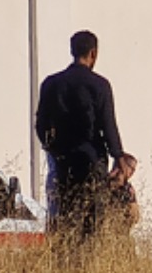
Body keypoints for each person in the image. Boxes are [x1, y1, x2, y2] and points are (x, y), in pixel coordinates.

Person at [34, 30, 134, 246]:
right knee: (91, 223)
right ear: (93, 53)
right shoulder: (99, 85)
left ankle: (66, 265)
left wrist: (52, 147)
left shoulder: (51, 84)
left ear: (72, 51)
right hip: (92, 161)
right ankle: (85, 267)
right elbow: (108, 125)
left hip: (63, 163)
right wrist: (118, 156)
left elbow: (40, 123)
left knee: (65, 218)